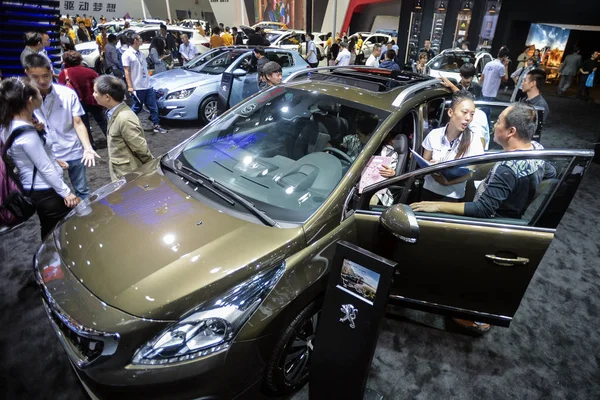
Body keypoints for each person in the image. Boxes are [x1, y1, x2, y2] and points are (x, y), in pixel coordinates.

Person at [0, 78, 79, 237]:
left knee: (50, 227)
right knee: (60, 231)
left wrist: (53, 159)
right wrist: (66, 192)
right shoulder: (27, 134)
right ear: (29, 100)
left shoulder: (7, 125)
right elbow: (45, 168)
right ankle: (53, 260)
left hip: (34, 187)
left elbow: (29, 156)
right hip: (46, 190)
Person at [24, 54, 99, 200]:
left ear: (52, 71)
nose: (42, 81)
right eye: (36, 77)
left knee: (82, 191)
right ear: (27, 73)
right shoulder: (24, 98)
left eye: (45, 75)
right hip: (47, 155)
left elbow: (78, 122)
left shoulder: (67, 93)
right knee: (57, 195)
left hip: (72, 149)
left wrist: (87, 148)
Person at [420, 91, 484, 201]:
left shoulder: (474, 141)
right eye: (464, 112)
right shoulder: (434, 134)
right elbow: (424, 161)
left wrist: (447, 182)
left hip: (452, 197)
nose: (468, 118)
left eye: (472, 114)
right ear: (450, 112)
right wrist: (432, 168)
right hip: (428, 190)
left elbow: (470, 173)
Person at [92, 75, 153, 181]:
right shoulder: (112, 113)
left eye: (95, 92)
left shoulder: (125, 118)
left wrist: (153, 169)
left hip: (129, 177)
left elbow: (141, 149)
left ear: (107, 97)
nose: (93, 95)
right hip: (120, 173)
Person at [58, 50, 107, 148]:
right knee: (102, 120)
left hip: (77, 102)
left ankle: (90, 144)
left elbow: (61, 89)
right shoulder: (90, 71)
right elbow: (99, 85)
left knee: (83, 124)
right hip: (93, 100)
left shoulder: (64, 73)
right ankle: (111, 138)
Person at [122, 32, 168, 134]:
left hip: (147, 85)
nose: (142, 40)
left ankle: (156, 125)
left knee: (153, 106)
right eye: (140, 38)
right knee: (137, 107)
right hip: (137, 86)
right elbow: (127, 71)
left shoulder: (141, 54)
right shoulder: (127, 55)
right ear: (135, 41)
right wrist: (130, 86)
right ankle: (126, 125)